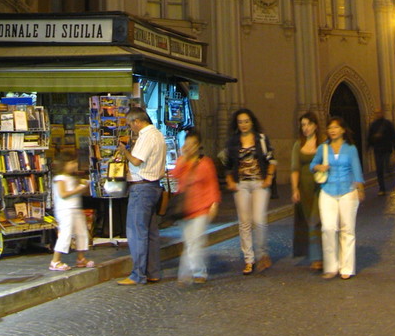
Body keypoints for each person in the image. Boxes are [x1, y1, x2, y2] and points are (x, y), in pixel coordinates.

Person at [114, 107, 167, 286]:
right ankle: (153, 272)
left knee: (137, 232)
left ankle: (138, 274)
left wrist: (124, 151)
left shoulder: (146, 136)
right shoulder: (159, 135)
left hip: (141, 188)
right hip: (154, 187)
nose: (131, 128)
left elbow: (137, 161)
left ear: (137, 121)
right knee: (151, 233)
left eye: (131, 125)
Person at [224, 107, 276, 275]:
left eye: (246, 121)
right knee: (244, 222)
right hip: (241, 185)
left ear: (252, 122)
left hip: (259, 183)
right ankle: (249, 259)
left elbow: (272, 159)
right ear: (237, 124)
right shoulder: (232, 142)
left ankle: (262, 254)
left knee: (259, 219)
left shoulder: (261, 139)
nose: (244, 125)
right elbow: (226, 163)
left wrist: (269, 177)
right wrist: (230, 179)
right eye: (240, 122)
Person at [311, 116, 365, 280]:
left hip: (348, 190)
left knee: (347, 229)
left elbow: (356, 169)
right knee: (328, 228)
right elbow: (312, 164)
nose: (332, 130)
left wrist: (360, 188)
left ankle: (346, 267)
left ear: (342, 130)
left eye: (335, 127)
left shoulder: (350, 148)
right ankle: (331, 266)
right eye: (330, 128)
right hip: (327, 190)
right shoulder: (323, 148)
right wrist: (318, 166)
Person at [171, 128, 221, 285]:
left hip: (201, 208)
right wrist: (184, 159)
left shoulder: (206, 163)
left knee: (195, 242)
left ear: (199, 145)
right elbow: (175, 175)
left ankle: (195, 272)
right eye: (187, 144)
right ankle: (190, 272)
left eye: (193, 144)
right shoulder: (182, 161)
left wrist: (214, 204)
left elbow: (212, 184)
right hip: (185, 209)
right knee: (189, 242)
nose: (190, 147)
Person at [49, 153, 94, 271]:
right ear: (64, 165)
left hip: (75, 208)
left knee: (82, 232)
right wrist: (79, 188)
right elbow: (63, 194)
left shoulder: (72, 178)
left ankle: (81, 258)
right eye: (72, 163)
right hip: (65, 209)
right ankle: (55, 260)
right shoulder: (59, 178)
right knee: (66, 233)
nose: (75, 165)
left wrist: (83, 187)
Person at [290, 111, 323, 269]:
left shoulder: (323, 144)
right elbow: (295, 168)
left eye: (309, 124)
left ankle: (318, 257)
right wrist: (295, 189)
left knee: (316, 220)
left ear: (315, 126)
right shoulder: (298, 144)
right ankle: (319, 256)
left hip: (320, 187)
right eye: (303, 125)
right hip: (304, 188)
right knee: (311, 220)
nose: (306, 128)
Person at [366, 108, 395, 195]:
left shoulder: (387, 124)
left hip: (387, 149)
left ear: (382, 113)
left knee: (386, 166)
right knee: (379, 169)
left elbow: (393, 135)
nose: (377, 114)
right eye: (376, 113)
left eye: (379, 112)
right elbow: (369, 137)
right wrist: (368, 147)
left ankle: (390, 179)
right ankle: (382, 188)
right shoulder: (373, 125)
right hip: (377, 150)